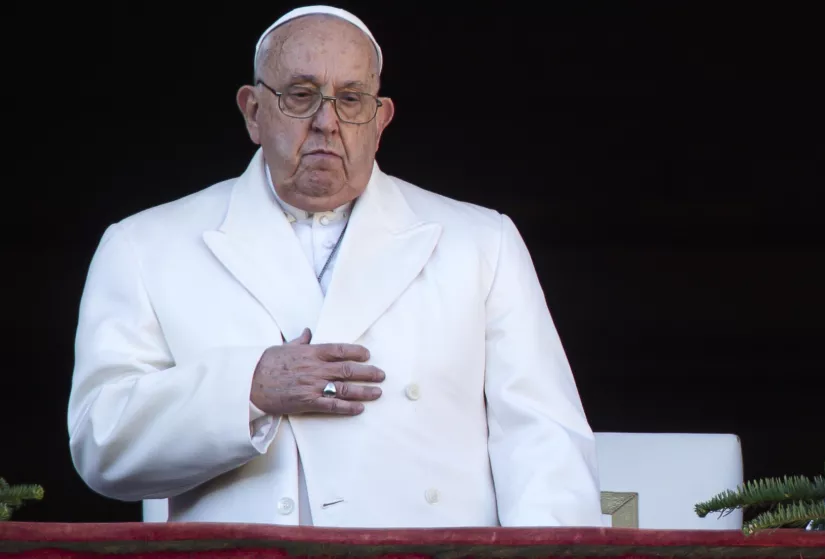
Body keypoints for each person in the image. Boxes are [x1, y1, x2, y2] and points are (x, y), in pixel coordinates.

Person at [67, 5, 603, 528]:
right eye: (301, 96)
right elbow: (101, 441)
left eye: (351, 99)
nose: (327, 123)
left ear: (381, 117)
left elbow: (543, 443)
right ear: (253, 111)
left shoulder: (482, 243)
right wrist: (247, 389)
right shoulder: (145, 245)